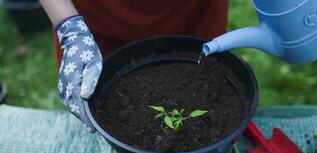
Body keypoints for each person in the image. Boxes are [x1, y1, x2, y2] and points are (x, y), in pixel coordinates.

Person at [39, 0, 228, 132]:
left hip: (191, 14)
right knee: (103, 107)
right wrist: (69, 27)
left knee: (205, 96)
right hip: (94, 22)